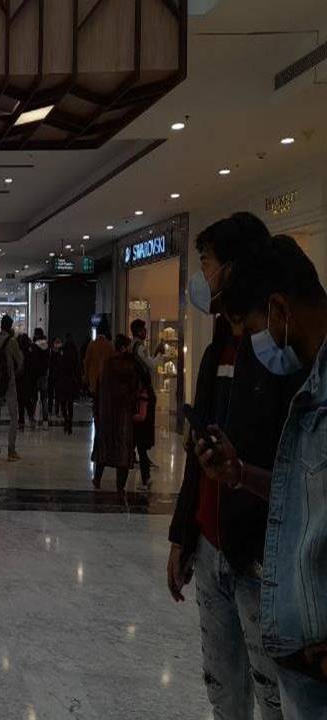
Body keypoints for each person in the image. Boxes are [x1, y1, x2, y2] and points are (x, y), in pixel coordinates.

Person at [194, 235, 327, 716]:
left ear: (278, 309)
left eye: (254, 328)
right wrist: (239, 472)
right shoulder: (310, 387)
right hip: (301, 639)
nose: (254, 344)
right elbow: (298, 494)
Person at [167, 213, 293, 720]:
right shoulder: (217, 346)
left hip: (260, 557)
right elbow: (199, 454)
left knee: (274, 693)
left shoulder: (281, 353)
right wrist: (182, 535)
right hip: (211, 542)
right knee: (222, 686)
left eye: (208, 266)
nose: (203, 278)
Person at [92, 334, 139, 494]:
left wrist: (98, 410)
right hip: (124, 413)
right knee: (123, 452)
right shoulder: (132, 366)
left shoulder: (108, 365)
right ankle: (120, 485)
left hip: (108, 413)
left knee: (104, 449)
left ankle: (97, 479)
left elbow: (101, 388)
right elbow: (135, 390)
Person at [129, 319, 164, 488]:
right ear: (138, 331)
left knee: (138, 439)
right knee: (142, 439)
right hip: (142, 397)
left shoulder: (132, 347)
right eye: (143, 329)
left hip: (137, 396)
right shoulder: (139, 347)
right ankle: (145, 477)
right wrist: (160, 355)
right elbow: (150, 365)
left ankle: (144, 473)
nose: (146, 332)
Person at [0, 315, 24, 461]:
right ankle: (11, 450)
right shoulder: (12, 341)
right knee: (14, 415)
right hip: (9, 383)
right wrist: (13, 373)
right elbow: (20, 362)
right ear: (10, 326)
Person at [55, 334, 83, 435]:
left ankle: (66, 419)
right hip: (71, 380)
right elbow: (77, 368)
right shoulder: (75, 352)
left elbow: (57, 366)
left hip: (62, 380)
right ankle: (69, 422)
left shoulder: (62, 351)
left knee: (62, 402)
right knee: (70, 403)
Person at [28, 328, 50, 427]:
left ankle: (32, 419)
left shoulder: (34, 346)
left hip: (35, 376)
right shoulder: (47, 346)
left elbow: (32, 362)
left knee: (34, 398)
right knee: (44, 399)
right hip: (44, 375)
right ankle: (45, 421)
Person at [16, 333, 34, 429]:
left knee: (20, 402)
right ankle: (31, 419)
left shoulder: (20, 352)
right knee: (28, 401)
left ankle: (21, 421)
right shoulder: (30, 352)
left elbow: (19, 367)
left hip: (20, 380)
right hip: (29, 379)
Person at [47, 337, 63, 419]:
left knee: (57, 395)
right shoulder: (50, 352)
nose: (58, 343)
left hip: (57, 376)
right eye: (57, 342)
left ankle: (56, 411)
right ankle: (50, 410)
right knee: (51, 394)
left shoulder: (60, 352)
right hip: (52, 376)